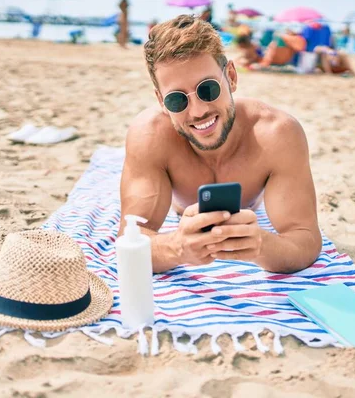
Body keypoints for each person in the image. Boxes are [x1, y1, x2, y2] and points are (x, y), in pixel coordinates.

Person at [119, 15, 322, 273]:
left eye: (208, 89)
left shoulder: (276, 134)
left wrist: (261, 245)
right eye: (176, 100)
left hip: (250, 207)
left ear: (232, 77)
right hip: (178, 207)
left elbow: (304, 238)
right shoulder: (150, 136)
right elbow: (130, 241)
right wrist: (177, 247)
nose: (197, 111)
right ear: (161, 102)